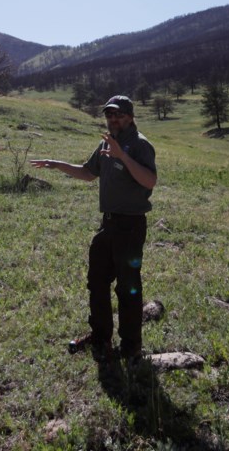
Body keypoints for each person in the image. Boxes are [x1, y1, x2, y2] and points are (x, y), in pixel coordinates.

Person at [31, 95, 157, 365]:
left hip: (131, 225)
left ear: (131, 116)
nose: (113, 120)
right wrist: (56, 164)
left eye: (119, 115)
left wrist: (122, 155)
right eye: (109, 115)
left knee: (128, 287)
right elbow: (88, 173)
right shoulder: (105, 143)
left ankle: (131, 346)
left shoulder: (140, 145)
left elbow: (150, 180)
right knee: (97, 282)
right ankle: (100, 337)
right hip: (108, 223)